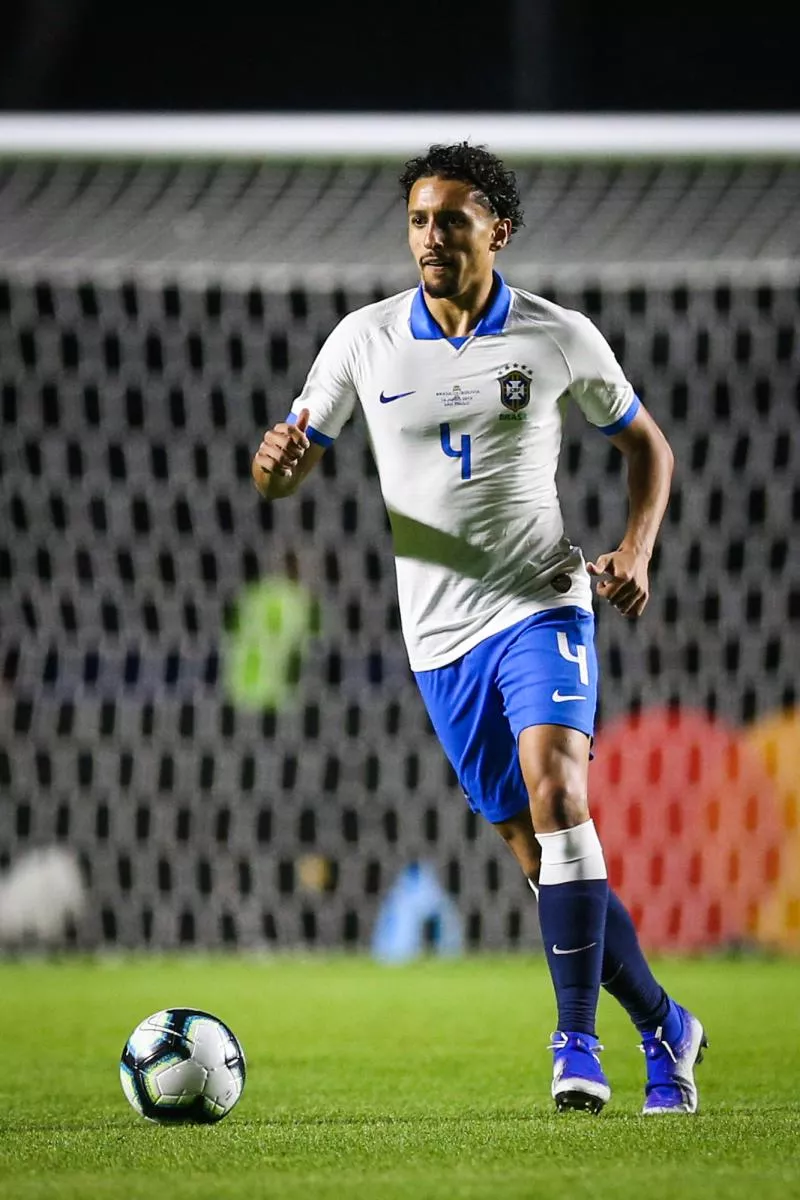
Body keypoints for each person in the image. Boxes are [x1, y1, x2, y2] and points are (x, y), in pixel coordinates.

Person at [251, 142, 707, 1115]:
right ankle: (665, 1025)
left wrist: (634, 548)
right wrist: (277, 461)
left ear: (494, 230)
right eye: (417, 220)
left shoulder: (554, 336)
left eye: (450, 220)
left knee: (558, 788)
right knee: (540, 861)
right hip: (438, 642)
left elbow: (645, 446)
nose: (429, 237)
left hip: (540, 601)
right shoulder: (363, 343)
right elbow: (286, 470)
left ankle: (572, 1044)